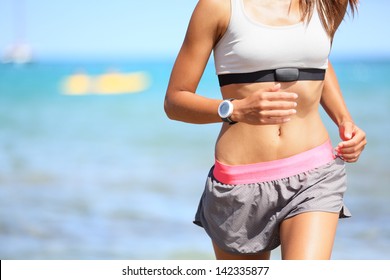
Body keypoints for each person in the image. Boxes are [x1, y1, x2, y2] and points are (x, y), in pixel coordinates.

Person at [164, 0, 367, 260]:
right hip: (240, 184)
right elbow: (174, 101)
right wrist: (235, 110)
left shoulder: (328, 4)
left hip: (315, 174)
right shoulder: (218, 7)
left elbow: (319, 62)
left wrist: (344, 120)